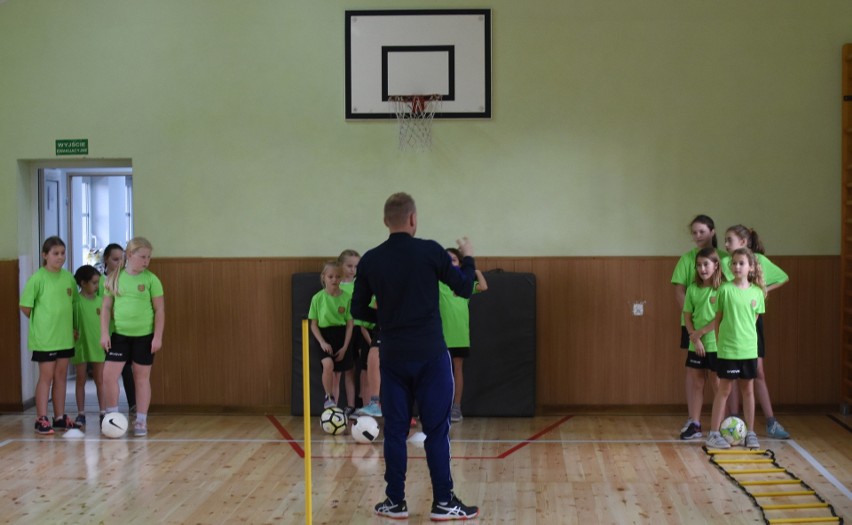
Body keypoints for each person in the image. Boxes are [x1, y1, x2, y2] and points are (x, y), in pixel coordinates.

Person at [351, 192, 480, 521]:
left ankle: (395, 502)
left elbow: (357, 309)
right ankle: (443, 503)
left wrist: (387, 320)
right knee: (437, 430)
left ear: (385, 222)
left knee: (394, 430)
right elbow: (465, 288)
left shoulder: (371, 260)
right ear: (413, 219)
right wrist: (467, 258)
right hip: (431, 357)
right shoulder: (431, 251)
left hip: (393, 357)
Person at [722, 225, 790, 439]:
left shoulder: (758, 260)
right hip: (730, 324)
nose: (725, 244)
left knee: (757, 373)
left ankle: (770, 421)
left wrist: (763, 290)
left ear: (743, 242)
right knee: (730, 377)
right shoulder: (725, 262)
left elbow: (783, 277)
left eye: (729, 240)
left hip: (751, 324)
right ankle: (734, 420)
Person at [670, 215, 729, 437]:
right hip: (692, 329)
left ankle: (722, 424)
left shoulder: (724, 260)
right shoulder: (686, 260)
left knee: (717, 379)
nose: (697, 236)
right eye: (694, 232)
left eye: (701, 231)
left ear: (712, 232)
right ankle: (694, 422)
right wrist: (693, 331)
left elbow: (729, 297)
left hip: (716, 333)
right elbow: (680, 292)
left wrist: (705, 330)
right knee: (695, 376)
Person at [100, 237, 165, 437]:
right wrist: (104, 333)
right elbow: (106, 308)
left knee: (141, 378)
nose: (146, 261)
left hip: (144, 337)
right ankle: (112, 417)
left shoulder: (151, 279)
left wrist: (157, 337)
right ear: (130, 256)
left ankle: (141, 420)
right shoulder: (114, 278)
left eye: (149, 257)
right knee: (108, 376)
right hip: (120, 336)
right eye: (142, 257)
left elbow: (160, 309)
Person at [705, 248, 766, 449]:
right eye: (734, 263)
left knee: (748, 390)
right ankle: (713, 433)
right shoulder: (724, 290)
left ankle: (750, 433)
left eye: (741, 263)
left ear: (751, 267)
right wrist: (721, 342)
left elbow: (753, 321)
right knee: (724, 390)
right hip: (728, 350)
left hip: (749, 350)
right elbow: (719, 319)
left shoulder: (757, 292)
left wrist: (748, 343)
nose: (737, 266)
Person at [19, 236, 78, 434]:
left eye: (63, 253)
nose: (60, 257)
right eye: (55, 253)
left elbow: (74, 305)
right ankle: (41, 418)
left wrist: (73, 327)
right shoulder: (38, 278)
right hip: (45, 340)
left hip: (65, 337)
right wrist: (43, 323)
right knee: (47, 377)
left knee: (61, 376)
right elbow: (26, 307)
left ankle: (59, 417)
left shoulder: (68, 277)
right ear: (45, 255)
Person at [439, 247, 488, 422]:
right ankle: (438, 407)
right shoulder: (439, 282)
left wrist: (475, 271)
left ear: (460, 263)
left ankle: (456, 407)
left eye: (453, 259)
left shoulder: (464, 285)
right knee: (439, 372)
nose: (450, 262)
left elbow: (483, 286)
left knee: (457, 370)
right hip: (440, 337)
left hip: (459, 336)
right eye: (447, 259)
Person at [679, 247, 722, 440]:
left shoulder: (722, 289)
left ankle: (719, 427)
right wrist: (693, 337)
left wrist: (701, 333)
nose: (702, 269)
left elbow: (721, 318)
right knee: (697, 383)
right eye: (698, 265)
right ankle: (695, 424)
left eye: (706, 264)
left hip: (715, 344)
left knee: (717, 383)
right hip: (695, 344)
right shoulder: (693, 290)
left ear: (716, 266)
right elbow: (687, 316)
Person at [308, 260, 354, 412]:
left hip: (341, 336)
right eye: (331, 276)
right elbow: (313, 324)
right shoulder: (317, 298)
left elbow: (349, 325)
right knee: (328, 365)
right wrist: (322, 342)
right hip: (324, 335)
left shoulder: (347, 297)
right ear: (324, 277)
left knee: (337, 377)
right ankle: (328, 397)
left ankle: (333, 411)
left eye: (338, 276)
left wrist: (345, 347)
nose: (334, 280)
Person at [102, 243, 136, 414]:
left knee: (126, 369)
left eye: (121, 259)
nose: (119, 263)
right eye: (115, 259)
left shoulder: (126, 280)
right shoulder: (101, 282)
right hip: (102, 334)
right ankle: (106, 410)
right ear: (106, 260)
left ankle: (133, 404)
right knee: (105, 374)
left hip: (121, 333)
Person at [71, 265, 106, 428]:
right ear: (83, 283)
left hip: (98, 345)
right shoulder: (76, 302)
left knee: (100, 379)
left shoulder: (102, 302)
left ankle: (103, 412)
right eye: (93, 282)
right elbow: (71, 323)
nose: (96, 286)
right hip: (81, 346)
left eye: (98, 282)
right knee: (80, 380)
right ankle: (81, 413)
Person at [338, 249, 366, 414]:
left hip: (360, 329)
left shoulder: (361, 284)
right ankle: (350, 405)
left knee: (363, 368)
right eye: (349, 266)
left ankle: (365, 404)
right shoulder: (336, 285)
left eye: (356, 266)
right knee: (348, 369)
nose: (352, 270)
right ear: (341, 265)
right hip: (344, 330)